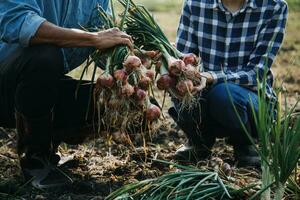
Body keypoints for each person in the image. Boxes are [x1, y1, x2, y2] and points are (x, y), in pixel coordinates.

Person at [0, 0, 133, 189]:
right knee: (44, 54)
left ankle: (48, 134)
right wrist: (93, 38)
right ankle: (36, 160)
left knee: (130, 103)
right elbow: (19, 22)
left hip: (40, 89)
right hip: (5, 85)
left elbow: (104, 42)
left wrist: (129, 60)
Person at [170, 0, 288, 167]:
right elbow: (184, 58)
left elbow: (256, 73)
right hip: (207, 92)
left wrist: (211, 77)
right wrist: (181, 71)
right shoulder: (194, 4)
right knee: (179, 84)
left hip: (252, 100)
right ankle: (199, 141)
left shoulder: (274, 7)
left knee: (223, 93)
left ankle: (246, 144)